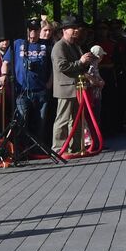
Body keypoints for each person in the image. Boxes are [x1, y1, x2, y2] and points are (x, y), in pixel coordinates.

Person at [50, 18, 94, 153]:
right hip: (65, 88)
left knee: (76, 120)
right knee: (62, 120)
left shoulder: (75, 45)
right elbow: (62, 66)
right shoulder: (59, 46)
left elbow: (77, 65)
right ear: (64, 30)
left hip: (76, 87)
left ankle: (75, 147)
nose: (75, 30)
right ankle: (58, 149)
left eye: (76, 28)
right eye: (72, 28)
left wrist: (85, 63)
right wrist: (81, 62)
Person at [10, 20, 53, 153]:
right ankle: (23, 150)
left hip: (40, 90)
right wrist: (4, 75)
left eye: (35, 30)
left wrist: (49, 83)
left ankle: (38, 150)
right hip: (22, 92)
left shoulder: (47, 45)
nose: (33, 33)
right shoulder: (17, 43)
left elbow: (53, 68)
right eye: (30, 30)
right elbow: (6, 61)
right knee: (22, 121)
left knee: (40, 122)